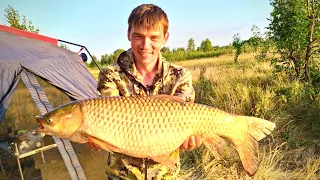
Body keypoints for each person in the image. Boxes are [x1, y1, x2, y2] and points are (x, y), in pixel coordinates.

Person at [97, 4, 202, 180]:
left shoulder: (180, 76)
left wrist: (190, 137)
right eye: (139, 36)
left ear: (165, 38)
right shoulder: (110, 75)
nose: (145, 46)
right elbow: (108, 123)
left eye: (154, 37)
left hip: (165, 175)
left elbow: (184, 124)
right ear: (129, 34)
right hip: (122, 175)